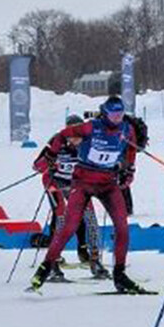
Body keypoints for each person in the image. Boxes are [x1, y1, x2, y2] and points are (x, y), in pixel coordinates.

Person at [29, 96, 143, 293]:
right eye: (113, 115)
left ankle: (118, 273)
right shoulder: (90, 128)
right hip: (80, 184)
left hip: (107, 184)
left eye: (120, 114)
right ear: (105, 114)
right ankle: (46, 268)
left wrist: (128, 171)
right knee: (67, 225)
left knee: (121, 227)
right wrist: (50, 156)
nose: (117, 118)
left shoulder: (126, 130)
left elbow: (131, 152)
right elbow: (59, 139)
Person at [33, 114, 106, 281]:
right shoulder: (56, 141)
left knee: (90, 218)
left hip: (76, 184)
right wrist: (49, 163)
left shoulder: (90, 143)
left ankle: (95, 261)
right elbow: (36, 166)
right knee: (61, 218)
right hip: (55, 182)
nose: (75, 136)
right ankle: (53, 264)